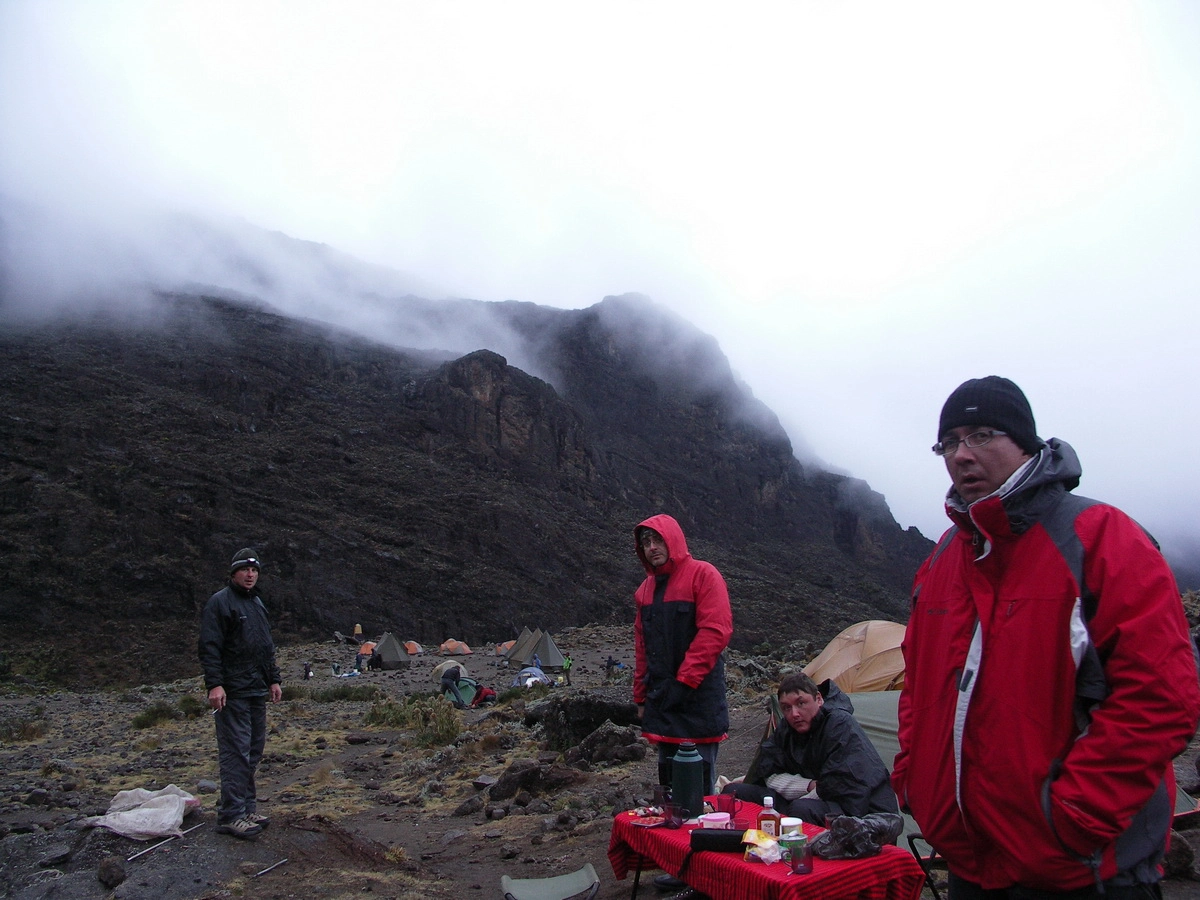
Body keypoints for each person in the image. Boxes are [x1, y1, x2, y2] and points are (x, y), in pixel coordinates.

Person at [893, 376, 1200, 899]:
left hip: (1082, 869)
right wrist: (914, 780)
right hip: (970, 861)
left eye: (981, 435)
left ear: (1025, 443)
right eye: (949, 442)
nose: (961, 455)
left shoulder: (1101, 537)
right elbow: (917, 687)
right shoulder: (944, 557)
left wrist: (1076, 816)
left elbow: (1161, 696)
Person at [633, 514, 733, 796]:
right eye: (646, 542)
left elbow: (715, 632)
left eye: (658, 540)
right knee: (668, 780)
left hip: (698, 698)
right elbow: (643, 646)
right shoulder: (645, 591)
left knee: (698, 782)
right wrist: (640, 697)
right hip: (663, 700)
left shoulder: (704, 575)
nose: (652, 547)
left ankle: (703, 823)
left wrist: (685, 681)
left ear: (673, 539)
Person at [723, 673, 898, 824]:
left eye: (801, 703)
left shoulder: (839, 725)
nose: (794, 714)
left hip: (860, 813)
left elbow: (842, 786)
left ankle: (793, 849)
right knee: (733, 792)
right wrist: (808, 786)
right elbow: (768, 772)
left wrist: (794, 806)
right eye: (786, 708)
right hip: (805, 800)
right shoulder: (787, 729)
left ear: (819, 699)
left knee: (801, 809)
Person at [198, 548, 282, 840]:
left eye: (254, 570)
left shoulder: (256, 603)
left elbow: (265, 646)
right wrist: (215, 684)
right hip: (232, 691)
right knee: (236, 752)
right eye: (245, 570)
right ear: (233, 573)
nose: (250, 575)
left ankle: (247, 808)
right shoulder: (220, 603)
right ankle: (231, 815)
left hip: (256, 689)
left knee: (253, 750)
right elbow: (209, 647)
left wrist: (273, 679)